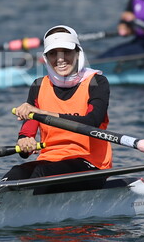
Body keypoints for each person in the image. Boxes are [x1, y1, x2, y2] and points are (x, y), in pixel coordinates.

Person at [8, 25, 112, 187]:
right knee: (16, 173)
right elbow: (28, 131)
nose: (60, 59)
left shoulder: (96, 82)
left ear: (78, 52)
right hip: (49, 160)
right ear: (46, 57)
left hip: (91, 164)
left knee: (41, 175)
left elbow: (93, 121)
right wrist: (24, 142)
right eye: (53, 53)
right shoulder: (38, 86)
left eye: (66, 52)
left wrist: (41, 112)